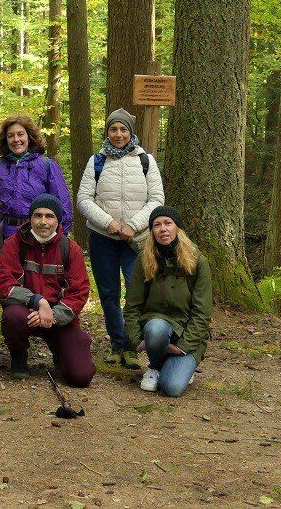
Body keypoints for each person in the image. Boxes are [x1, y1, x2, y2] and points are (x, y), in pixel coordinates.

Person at [76, 108, 164, 368]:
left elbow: (156, 199)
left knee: (136, 292)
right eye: (113, 129)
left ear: (131, 132)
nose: (118, 134)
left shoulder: (145, 161)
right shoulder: (97, 161)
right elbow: (83, 200)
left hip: (136, 240)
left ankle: (133, 346)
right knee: (109, 293)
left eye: (123, 129)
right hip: (103, 238)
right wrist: (111, 223)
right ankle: (117, 344)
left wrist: (133, 226)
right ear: (107, 132)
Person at [0, 194, 95, 387]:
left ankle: (60, 353)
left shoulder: (70, 249)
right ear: (30, 219)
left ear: (57, 220)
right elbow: (4, 283)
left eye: (49, 216)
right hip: (26, 311)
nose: (43, 222)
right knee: (12, 316)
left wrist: (53, 315)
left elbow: (79, 291)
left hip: (60, 317)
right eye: (37, 216)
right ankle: (18, 355)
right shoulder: (14, 244)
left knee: (81, 376)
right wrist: (39, 302)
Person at [123, 206, 212, 397]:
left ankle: (177, 366)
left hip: (186, 334)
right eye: (157, 225)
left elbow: (202, 314)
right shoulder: (144, 260)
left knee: (172, 388)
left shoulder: (198, 261)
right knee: (156, 328)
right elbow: (132, 305)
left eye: (168, 223)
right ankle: (155, 366)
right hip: (156, 326)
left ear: (177, 228)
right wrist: (137, 340)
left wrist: (182, 346)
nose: (163, 229)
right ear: (152, 231)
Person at [0, 114, 72, 260]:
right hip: (3, 236)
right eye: (11, 136)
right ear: (5, 140)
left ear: (29, 136)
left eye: (20, 134)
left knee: (36, 281)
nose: (16, 140)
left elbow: (62, 203)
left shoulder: (47, 166)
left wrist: (61, 236)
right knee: (7, 280)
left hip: (39, 235)